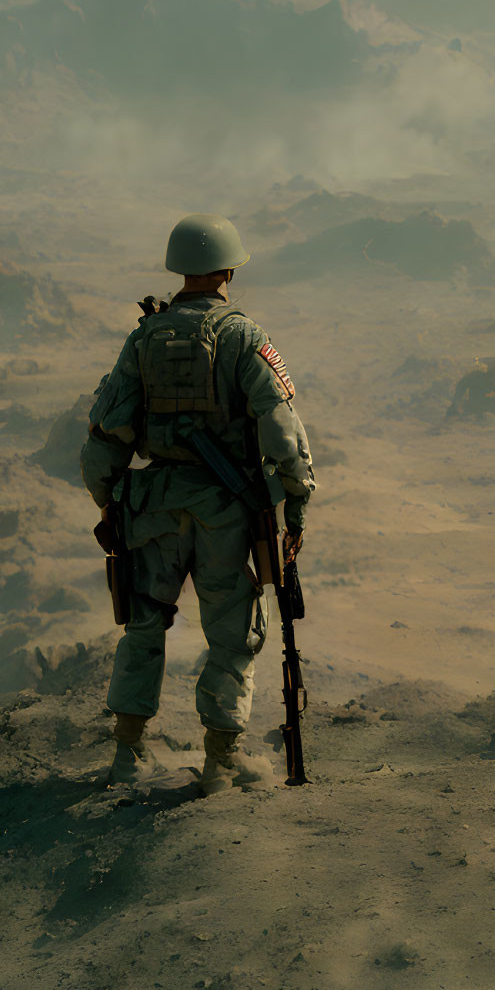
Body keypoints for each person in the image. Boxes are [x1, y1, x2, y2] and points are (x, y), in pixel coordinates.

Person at [79, 213, 315, 793]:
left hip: (153, 505)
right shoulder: (245, 336)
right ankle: (219, 761)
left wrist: (108, 502)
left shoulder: (144, 338)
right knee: (234, 633)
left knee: (143, 626)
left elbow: (108, 431)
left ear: (179, 268)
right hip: (226, 511)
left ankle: (127, 754)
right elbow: (282, 429)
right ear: (230, 267)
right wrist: (296, 506)